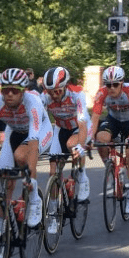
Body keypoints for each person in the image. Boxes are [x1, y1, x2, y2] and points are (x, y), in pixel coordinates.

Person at [0, 68, 54, 228]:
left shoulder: (33, 102)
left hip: (39, 131)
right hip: (14, 131)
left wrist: (30, 175)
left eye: (14, 90)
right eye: (6, 90)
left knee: (21, 155)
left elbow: (33, 145)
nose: (9, 94)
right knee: (5, 180)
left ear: (23, 91)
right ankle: (4, 234)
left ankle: (34, 200)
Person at [90, 65, 129, 214]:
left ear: (122, 83)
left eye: (115, 85)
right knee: (101, 139)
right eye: (108, 85)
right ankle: (110, 167)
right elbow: (94, 117)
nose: (112, 88)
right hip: (113, 120)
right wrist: (89, 138)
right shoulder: (101, 93)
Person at [39, 66, 90, 207]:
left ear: (65, 86)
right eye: (50, 92)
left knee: (72, 145)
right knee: (53, 171)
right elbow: (37, 119)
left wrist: (81, 146)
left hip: (79, 127)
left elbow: (82, 123)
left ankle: (82, 176)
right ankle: (54, 208)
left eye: (57, 91)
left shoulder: (77, 94)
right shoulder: (44, 97)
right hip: (61, 128)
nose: (54, 95)